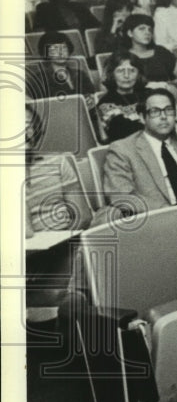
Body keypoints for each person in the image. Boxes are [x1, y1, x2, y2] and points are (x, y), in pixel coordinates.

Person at [103, 87, 177, 239]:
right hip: (160, 222)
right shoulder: (122, 149)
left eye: (168, 110)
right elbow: (122, 197)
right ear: (142, 117)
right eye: (155, 112)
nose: (163, 117)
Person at [23, 105, 93, 323]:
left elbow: (82, 216)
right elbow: (25, 232)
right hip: (25, 261)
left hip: (66, 246)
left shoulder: (58, 162)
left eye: (27, 126)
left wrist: (60, 238)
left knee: (83, 252)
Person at [26, 31, 98, 115]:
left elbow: (91, 95)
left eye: (64, 48)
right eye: (55, 49)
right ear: (46, 52)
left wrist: (90, 100)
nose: (61, 53)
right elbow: (40, 108)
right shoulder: (39, 79)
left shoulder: (80, 74)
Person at [123, 13, 177, 89]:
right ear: (130, 33)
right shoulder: (123, 55)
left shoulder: (161, 51)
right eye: (142, 29)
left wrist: (167, 85)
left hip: (164, 94)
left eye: (150, 29)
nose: (147, 33)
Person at [95, 51, 146, 142]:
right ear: (112, 75)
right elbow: (123, 132)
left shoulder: (149, 95)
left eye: (132, 70)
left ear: (139, 74)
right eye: (120, 71)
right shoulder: (106, 103)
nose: (126, 76)